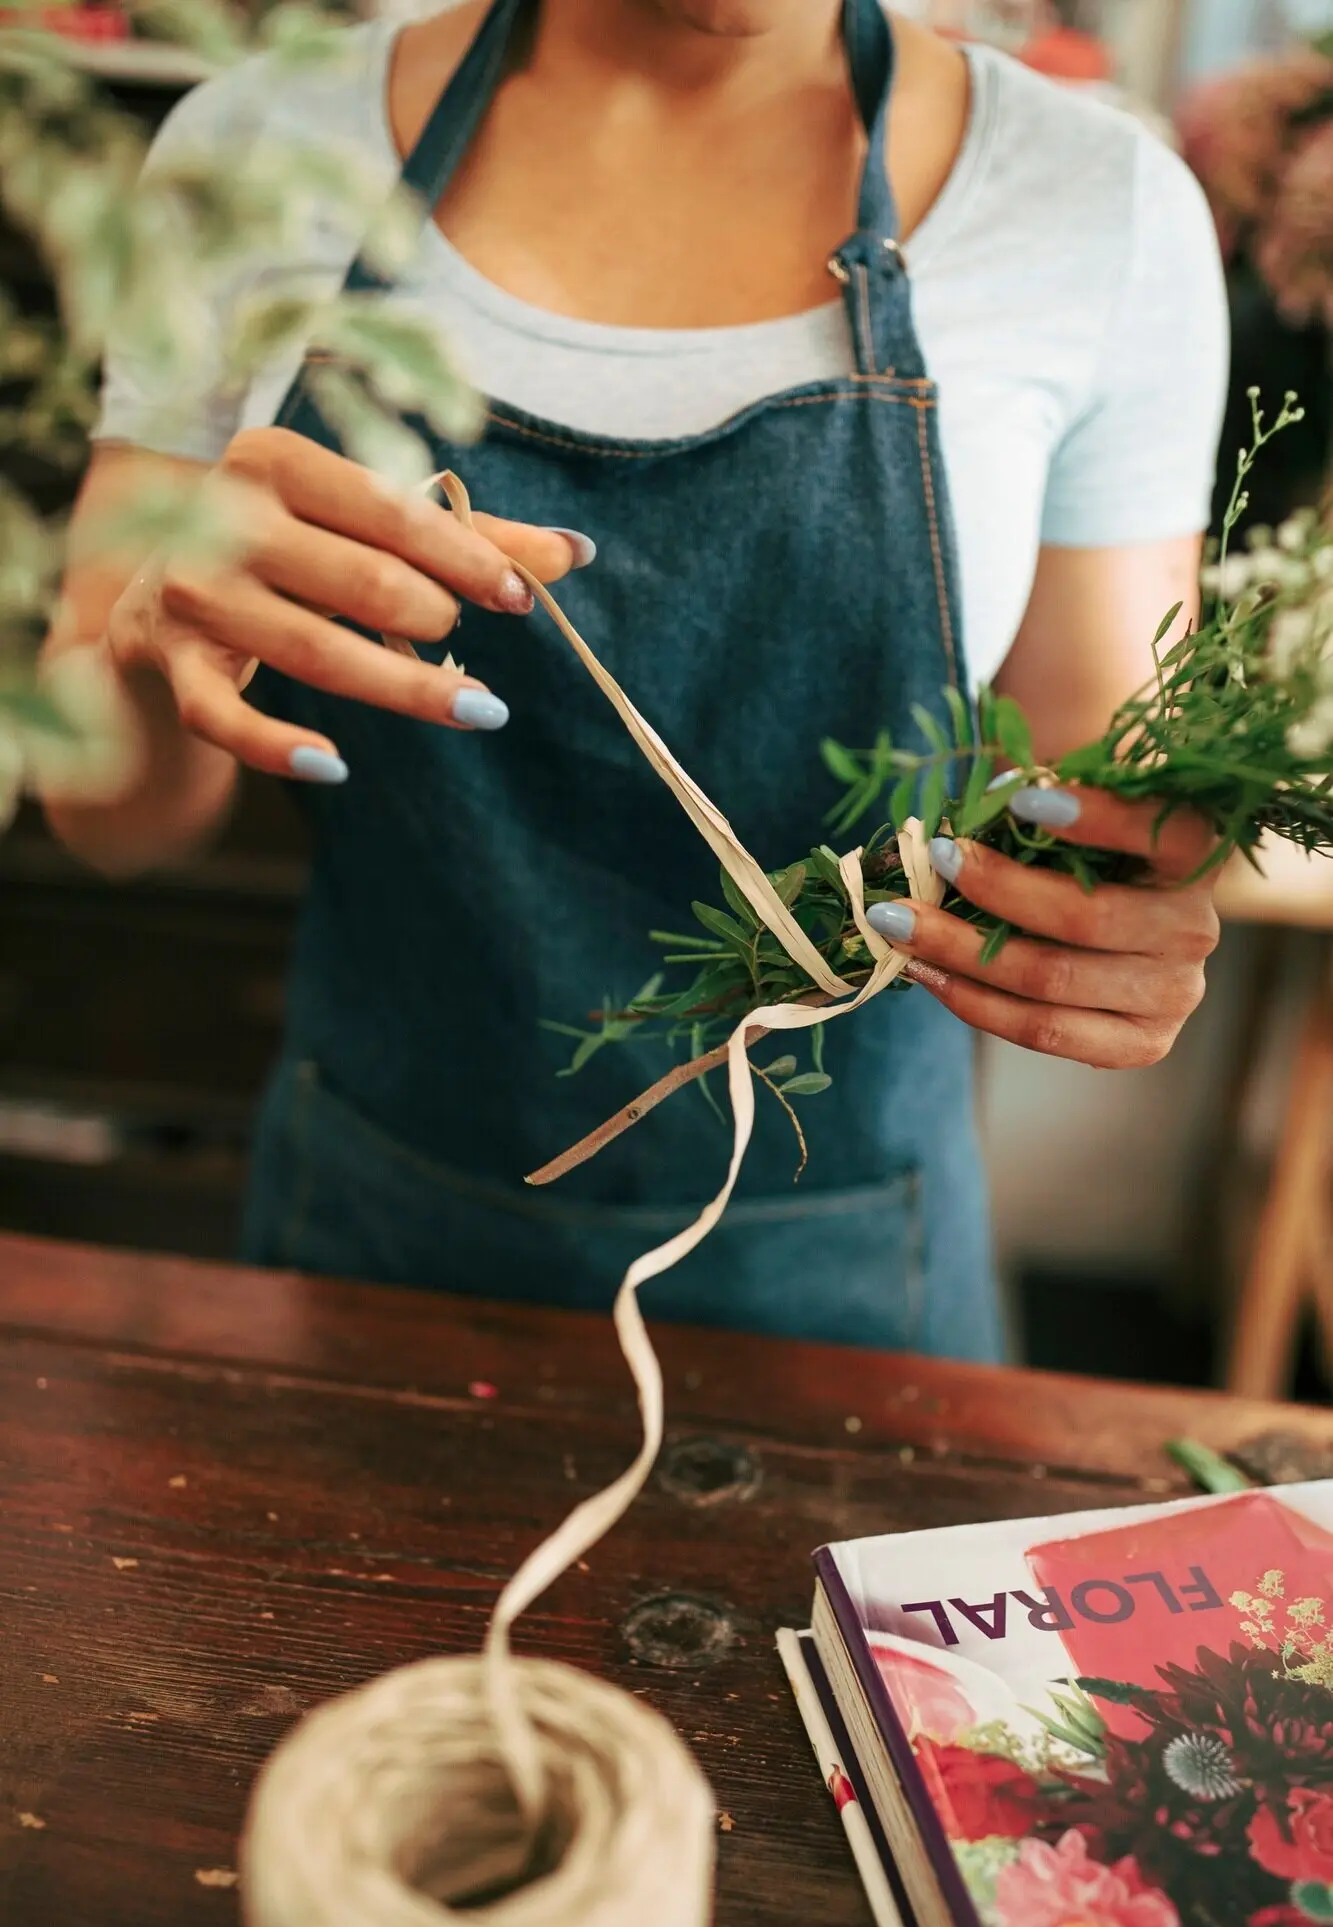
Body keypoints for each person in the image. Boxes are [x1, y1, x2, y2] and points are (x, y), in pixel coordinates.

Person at [45, 0, 1229, 1361]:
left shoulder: (1099, 210)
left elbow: (1105, 820)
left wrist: (1119, 934)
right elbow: (113, 823)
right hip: (364, 1234)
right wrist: (149, 639)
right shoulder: (254, 149)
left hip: (846, 1276)